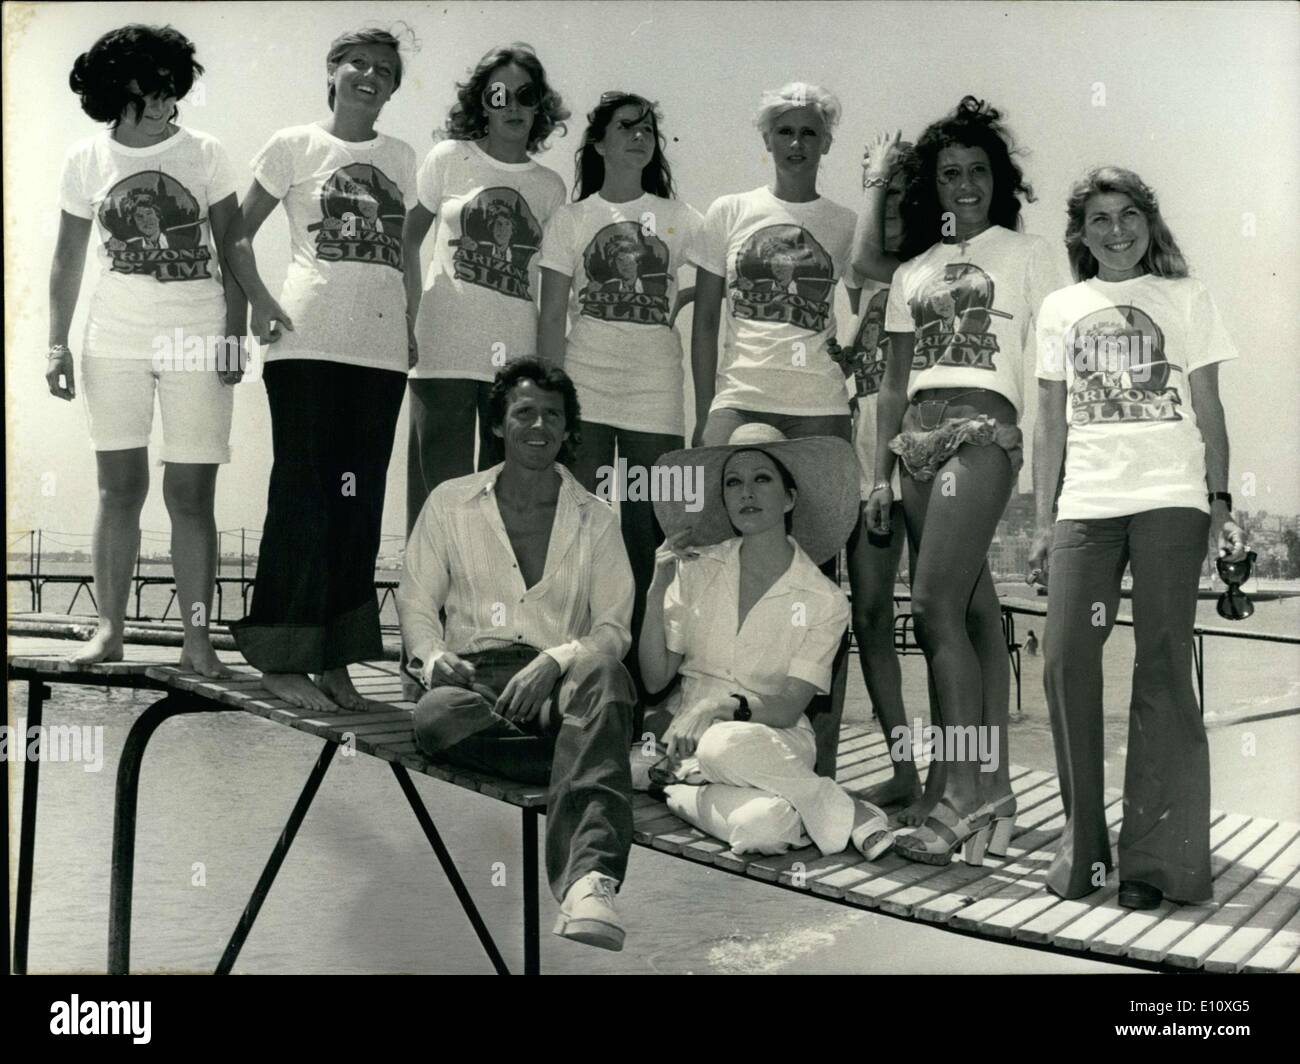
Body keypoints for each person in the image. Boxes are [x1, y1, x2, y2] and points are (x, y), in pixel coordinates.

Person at [1029, 166, 1246, 910]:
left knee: (1160, 665)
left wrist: (1220, 500)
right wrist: (1041, 521)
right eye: (1098, 220)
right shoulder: (1061, 307)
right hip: (1086, 502)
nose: (1115, 230)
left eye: (1128, 216)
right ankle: (1084, 848)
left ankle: (1160, 862)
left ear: (1149, 223)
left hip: (1171, 500)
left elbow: (1210, 409)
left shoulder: (1187, 298)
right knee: (1064, 659)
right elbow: (1049, 423)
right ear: (1079, 236)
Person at [863, 96, 1070, 864]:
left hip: (983, 432)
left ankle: (962, 798)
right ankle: (988, 784)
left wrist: (1049, 484)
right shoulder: (911, 270)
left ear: (998, 178)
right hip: (914, 439)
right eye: (950, 173)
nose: (966, 184)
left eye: (979, 170)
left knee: (935, 605)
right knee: (974, 615)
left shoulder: (1030, 252)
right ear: (934, 186)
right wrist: (880, 472)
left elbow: (1051, 381)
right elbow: (890, 385)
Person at [399, 358, 637, 952]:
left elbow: (613, 630)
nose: (539, 425)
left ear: (567, 429)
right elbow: (416, 604)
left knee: (604, 674)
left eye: (552, 415)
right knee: (434, 718)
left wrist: (558, 658)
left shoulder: (597, 519)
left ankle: (589, 881)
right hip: (476, 683)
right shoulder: (451, 503)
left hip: (559, 683)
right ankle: (603, 761)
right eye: (523, 412)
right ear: (500, 425)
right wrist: (431, 661)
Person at [225, 27, 418, 711]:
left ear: (394, 86)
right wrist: (258, 303)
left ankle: (337, 659)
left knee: (356, 503)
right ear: (332, 72)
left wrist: (412, 322)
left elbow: (407, 254)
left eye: (385, 70)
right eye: (358, 64)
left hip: (381, 351)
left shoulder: (402, 156)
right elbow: (237, 233)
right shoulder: (294, 145)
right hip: (307, 345)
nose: (371, 75)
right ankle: (279, 659)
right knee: (304, 497)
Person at [49, 24, 243, 677]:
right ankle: (108, 630)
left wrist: (237, 332)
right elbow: (67, 260)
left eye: (170, 90)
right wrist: (56, 342)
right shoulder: (85, 161)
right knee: (119, 488)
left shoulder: (208, 153)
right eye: (147, 92)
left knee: (190, 492)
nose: (162, 104)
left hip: (199, 330)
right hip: (114, 336)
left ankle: (197, 639)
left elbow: (235, 246)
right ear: (114, 91)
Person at [639, 425, 894, 860]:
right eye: (733, 482)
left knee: (721, 744)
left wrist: (717, 706)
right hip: (690, 741)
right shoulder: (698, 569)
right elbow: (654, 675)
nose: (746, 493)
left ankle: (676, 783)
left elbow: (789, 707)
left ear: (790, 498)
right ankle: (832, 805)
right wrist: (657, 587)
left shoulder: (823, 599)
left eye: (762, 479)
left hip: (772, 740)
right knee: (761, 829)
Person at [537, 91, 702, 705]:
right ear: (600, 142)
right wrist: (552, 408)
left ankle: (643, 692)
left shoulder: (685, 217)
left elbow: (717, 304)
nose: (640, 137)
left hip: (656, 393)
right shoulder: (572, 221)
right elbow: (552, 316)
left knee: (647, 538)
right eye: (626, 127)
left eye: (649, 128)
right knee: (579, 529)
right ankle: (570, 678)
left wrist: (677, 303)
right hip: (585, 386)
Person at [403, 43, 569, 530]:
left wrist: (545, 370)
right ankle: (426, 607)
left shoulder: (551, 187)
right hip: (443, 351)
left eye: (526, 95)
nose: (513, 106)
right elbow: (405, 244)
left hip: (514, 364)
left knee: (501, 502)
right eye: (500, 95)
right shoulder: (448, 159)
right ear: (482, 102)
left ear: (540, 106)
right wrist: (406, 321)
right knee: (439, 500)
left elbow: (553, 284)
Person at [836, 130, 931, 816]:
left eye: (903, 193)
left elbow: (870, 254)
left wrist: (877, 175)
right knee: (870, 614)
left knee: (942, 616)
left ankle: (965, 773)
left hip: (924, 451)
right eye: (884, 194)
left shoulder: (920, 266)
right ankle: (903, 767)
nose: (892, 204)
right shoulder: (856, 284)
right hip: (866, 460)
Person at [688, 82, 857, 450]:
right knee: (706, 499)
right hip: (740, 397)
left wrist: (852, 356)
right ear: (768, 140)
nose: (797, 143)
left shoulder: (845, 223)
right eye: (785, 132)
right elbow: (704, 322)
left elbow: (873, 304)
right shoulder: (729, 210)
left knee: (823, 508)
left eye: (809, 133)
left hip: (820, 402)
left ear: (825, 143)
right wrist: (705, 411)